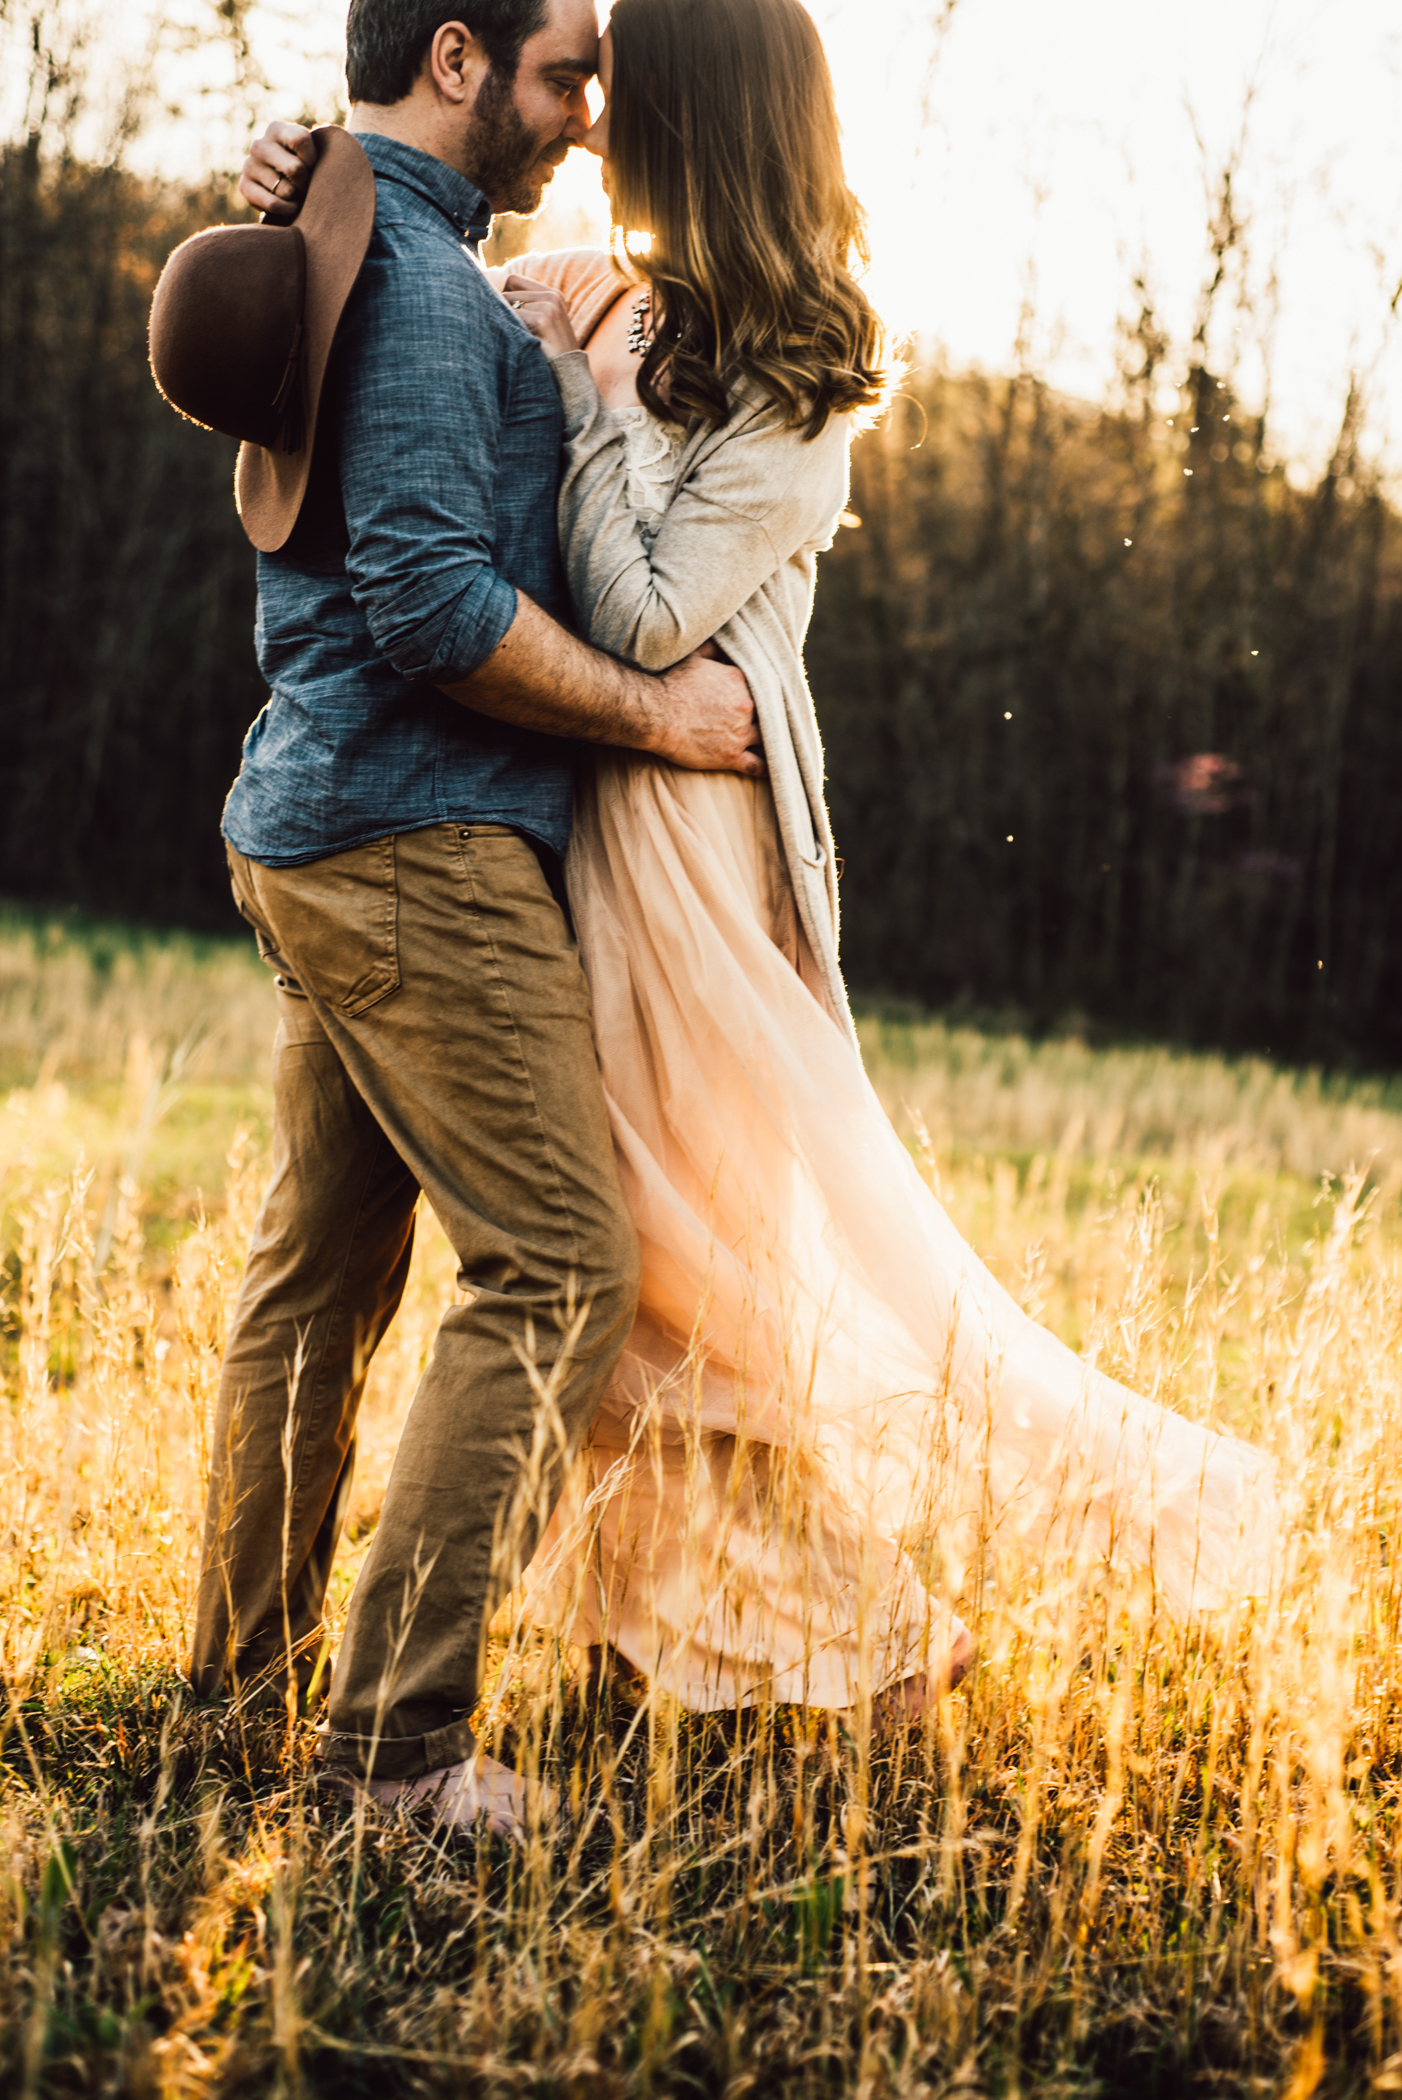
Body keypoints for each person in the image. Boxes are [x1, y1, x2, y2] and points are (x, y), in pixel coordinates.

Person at [240, 0, 1278, 1735]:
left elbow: (644, 612)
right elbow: (365, 310)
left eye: (610, 91)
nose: (582, 120)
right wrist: (297, 176)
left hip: (676, 837)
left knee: (672, 1258)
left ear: (697, 126)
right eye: (571, 78)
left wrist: (582, 394)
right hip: (537, 805)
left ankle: (830, 1645)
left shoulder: (800, 375)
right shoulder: (583, 279)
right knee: (599, 1264)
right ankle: (654, 1656)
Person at [188, 0, 765, 1844]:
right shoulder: (427, 294)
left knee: (319, 1276)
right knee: (559, 1266)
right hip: (417, 838)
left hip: (311, 819)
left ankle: (240, 1699)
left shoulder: (355, 239)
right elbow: (433, 601)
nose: (587, 114)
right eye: (560, 71)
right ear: (456, 55)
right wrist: (657, 714)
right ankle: (395, 1753)